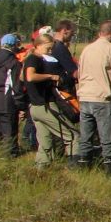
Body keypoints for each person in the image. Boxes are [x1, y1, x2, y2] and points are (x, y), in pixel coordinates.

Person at [75, 20, 111, 174]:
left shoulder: (86, 49)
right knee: (108, 138)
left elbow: (79, 73)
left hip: (85, 97)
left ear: (100, 33)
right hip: (102, 99)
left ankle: (83, 168)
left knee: (85, 137)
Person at [22, 33, 77, 168]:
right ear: (38, 46)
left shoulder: (30, 59)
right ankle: (75, 166)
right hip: (45, 105)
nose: (51, 51)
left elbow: (22, 77)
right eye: (48, 48)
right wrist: (51, 77)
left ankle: (41, 167)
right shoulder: (34, 59)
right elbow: (29, 77)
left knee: (45, 140)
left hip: (35, 107)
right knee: (72, 135)